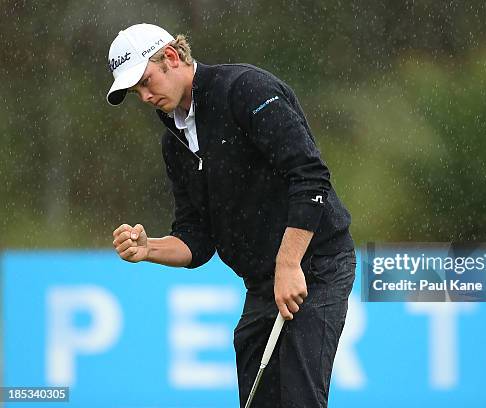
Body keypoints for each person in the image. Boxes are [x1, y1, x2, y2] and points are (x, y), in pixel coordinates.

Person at [108, 23, 355, 407]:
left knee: (299, 399)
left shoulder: (245, 90)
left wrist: (289, 263)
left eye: (145, 81)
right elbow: (197, 238)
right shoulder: (174, 142)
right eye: (135, 90)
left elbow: (310, 176)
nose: (143, 96)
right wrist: (149, 248)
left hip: (315, 265)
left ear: (171, 58)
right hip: (262, 283)